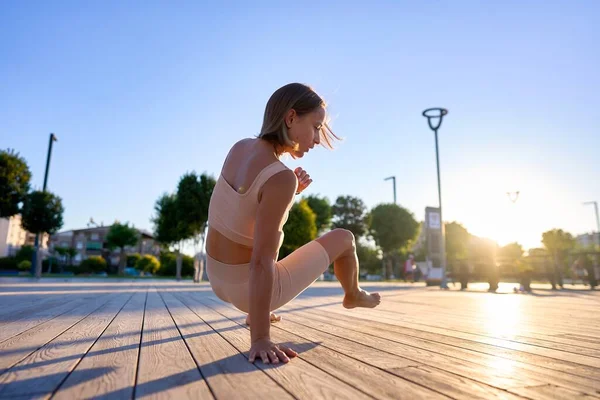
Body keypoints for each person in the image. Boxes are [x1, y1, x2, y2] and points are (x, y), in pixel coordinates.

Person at [205, 83, 381, 365]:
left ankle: (256, 309)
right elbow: (261, 262)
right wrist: (261, 338)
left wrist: (289, 192)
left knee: (265, 234)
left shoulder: (239, 148)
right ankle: (353, 293)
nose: (317, 140)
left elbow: (237, 212)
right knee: (345, 238)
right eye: (315, 126)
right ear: (290, 118)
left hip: (215, 277)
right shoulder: (280, 177)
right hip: (245, 288)